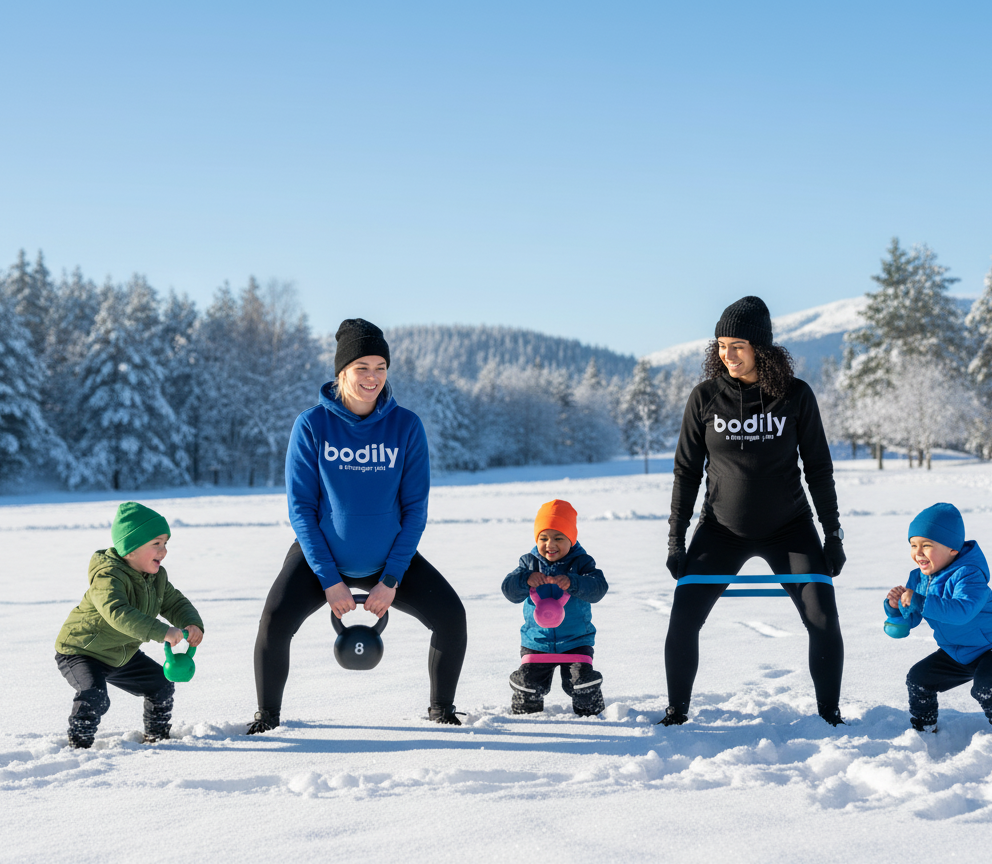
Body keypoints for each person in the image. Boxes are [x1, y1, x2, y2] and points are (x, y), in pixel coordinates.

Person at [248, 318, 467, 733]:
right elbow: (301, 510)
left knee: (452, 618)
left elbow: (415, 509)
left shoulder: (406, 426)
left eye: (380, 367)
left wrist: (391, 579)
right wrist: (329, 580)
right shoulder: (312, 425)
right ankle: (267, 718)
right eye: (361, 368)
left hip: (388, 561)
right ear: (341, 372)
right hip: (321, 562)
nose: (372, 377)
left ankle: (441, 711)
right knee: (274, 622)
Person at [662, 296, 847, 727]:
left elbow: (818, 469)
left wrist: (832, 534)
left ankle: (829, 716)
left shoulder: (796, 395)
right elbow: (686, 472)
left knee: (823, 617)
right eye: (721, 345)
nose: (727, 354)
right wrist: (675, 539)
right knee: (683, 617)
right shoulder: (705, 397)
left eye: (738, 345)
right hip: (720, 530)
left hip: (791, 528)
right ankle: (676, 713)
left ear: (761, 348)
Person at [54, 502, 205, 748]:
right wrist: (162, 631)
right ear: (130, 549)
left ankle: (157, 739)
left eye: (165, 543)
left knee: (161, 686)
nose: (163, 550)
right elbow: (118, 613)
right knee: (95, 696)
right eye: (156, 544)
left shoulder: (157, 577)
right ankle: (78, 746)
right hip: (81, 651)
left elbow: (174, 602)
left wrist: (191, 623)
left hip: (120, 653)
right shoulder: (108, 576)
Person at [884, 503, 992, 734]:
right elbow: (911, 619)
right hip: (959, 651)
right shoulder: (918, 578)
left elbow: (962, 611)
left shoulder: (969, 574)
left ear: (952, 550)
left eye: (927, 546)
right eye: (913, 545)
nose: (918, 552)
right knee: (919, 679)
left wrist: (919, 600)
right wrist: (896, 608)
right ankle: (924, 729)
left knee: (985, 686)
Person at [502, 499, 607, 716]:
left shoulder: (582, 564)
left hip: (576, 641)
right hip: (537, 641)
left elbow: (598, 588)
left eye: (559, 538)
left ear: (571, 538)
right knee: (528, 684)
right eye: (544, 538)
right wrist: (525, 579)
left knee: (581, 684)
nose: (550, 544)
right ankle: (525, 718)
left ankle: (591, 713)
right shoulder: (528, 563)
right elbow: (509, 591)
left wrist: (574, 582)